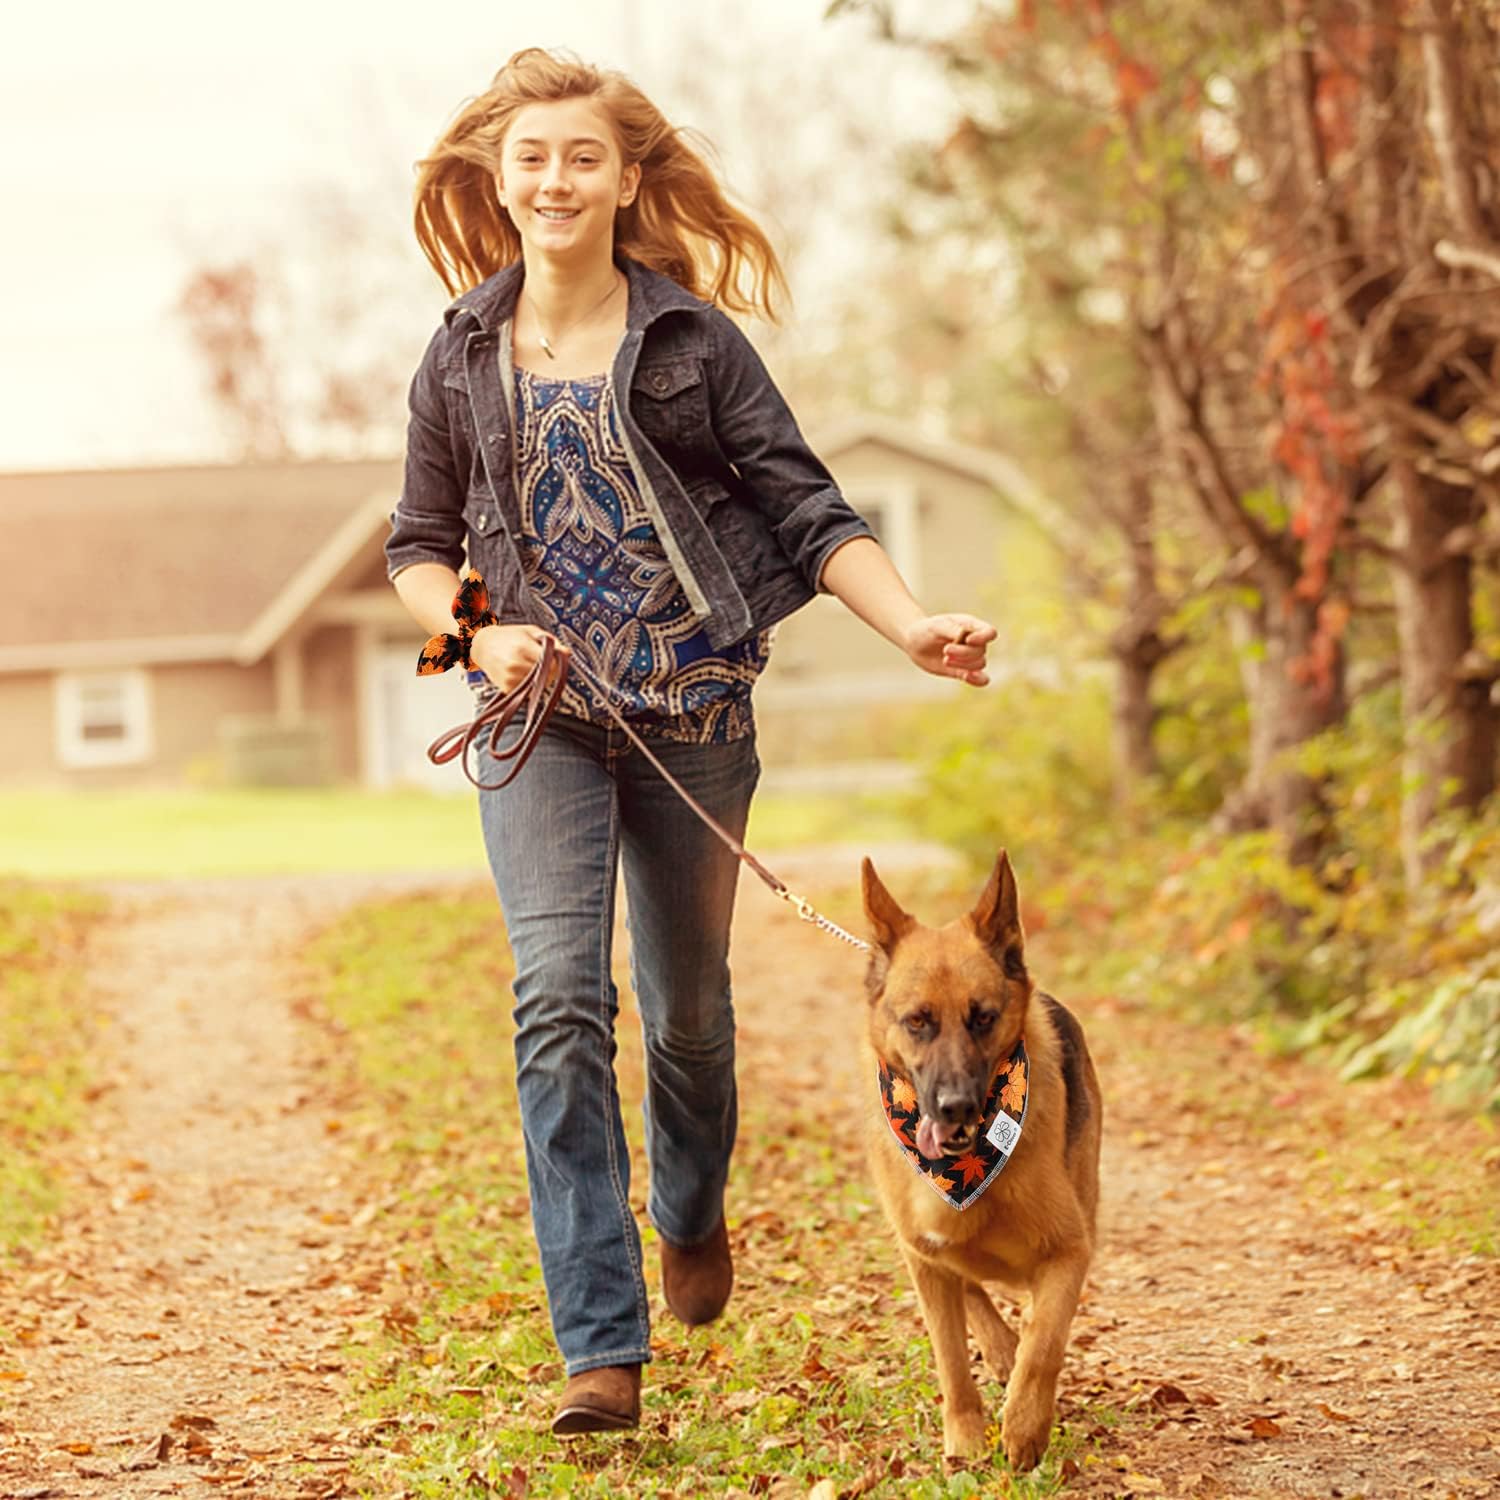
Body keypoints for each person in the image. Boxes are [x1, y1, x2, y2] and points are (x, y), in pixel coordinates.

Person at [385, 46, 996, 1436]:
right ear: (499, 173)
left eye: (581, 157)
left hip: (696, 720)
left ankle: (691, 1205)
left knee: (692, 1019)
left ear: (627, 178)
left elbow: (811, 511)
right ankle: (600, 1348)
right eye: (530, 156)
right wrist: (478, 638)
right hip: (534, 726)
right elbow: (417, 552)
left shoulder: (694, 345)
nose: (554, 178)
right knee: (555, 1002)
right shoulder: (460, 349)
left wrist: (908, 627)